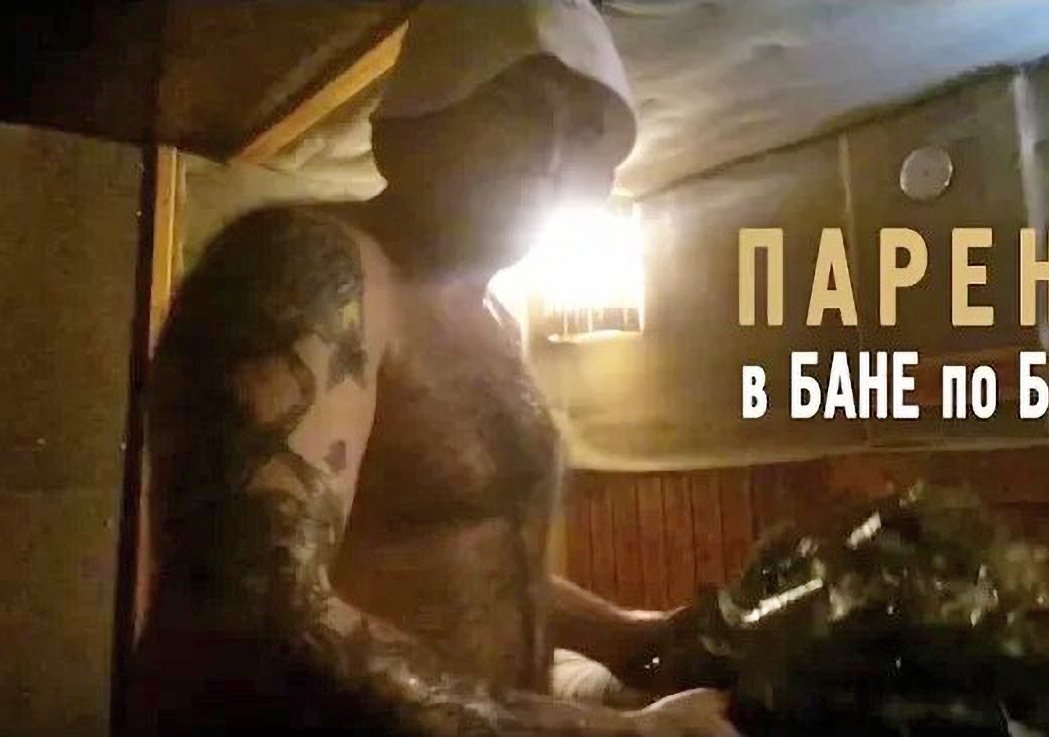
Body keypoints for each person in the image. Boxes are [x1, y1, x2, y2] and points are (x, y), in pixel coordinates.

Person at [130, 1, 738, 735]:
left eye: (584, 130)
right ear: (407, 130)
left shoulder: (496, 321)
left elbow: (462, 550)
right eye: (515, 107)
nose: (552, 155)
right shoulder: (311, 270)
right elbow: (255, 611)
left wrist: (627, 633)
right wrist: (632, 732)